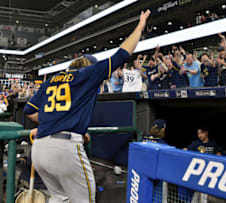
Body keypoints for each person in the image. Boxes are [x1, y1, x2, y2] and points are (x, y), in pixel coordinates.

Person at [23, 10, 151, 203]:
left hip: (40, 148)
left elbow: (29, 111)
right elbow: (122, 54)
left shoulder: (53, 79)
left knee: (59, 200)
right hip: (65, 148)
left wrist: (54, 121)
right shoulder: (88, 74)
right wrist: (140, 27)